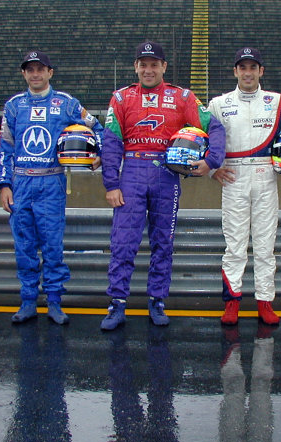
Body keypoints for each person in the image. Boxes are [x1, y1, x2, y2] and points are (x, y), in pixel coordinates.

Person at [100, 40, 226, 330]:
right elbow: (110, 143)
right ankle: (117, 303)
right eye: (143, 64)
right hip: (130, 172)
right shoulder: (120, 98)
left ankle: (157, 301)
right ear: (136, 67)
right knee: (123, 243)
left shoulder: (181, 97)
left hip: (166, 174)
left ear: (163, 67)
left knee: (163, 243)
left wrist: (212, 160)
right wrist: (111, 184)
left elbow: (214, 127)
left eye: (154, 64)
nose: (148, 69)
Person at [208, 47, 281, 326]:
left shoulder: (278, 102)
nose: (248, 73)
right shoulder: (218, 104)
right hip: (233, 177)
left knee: (264, 246)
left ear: (261, 71)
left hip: (265, 175)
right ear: (235, 71)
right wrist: (212, 169)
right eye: (243, 68)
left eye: (253, 68)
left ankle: (265, 302)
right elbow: (200, 135)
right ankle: (232, 303)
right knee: (234, 247)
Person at [0, 51, 103, 325]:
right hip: (20, 183)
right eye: (30, 69)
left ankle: (54, 301)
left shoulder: (66, 103)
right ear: (23, 73)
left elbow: (98, 128)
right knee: (25, 247)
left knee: (53, 246)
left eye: (40, 69)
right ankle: (28, 301)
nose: (35, 74)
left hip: (51, 182)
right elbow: (4, 149)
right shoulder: (12, 106)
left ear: (50, 72)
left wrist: (98, 154)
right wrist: (4, 184)